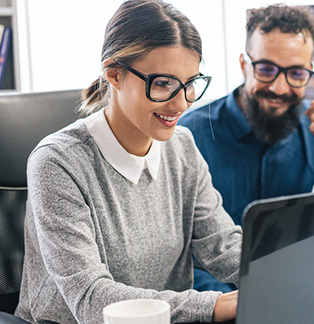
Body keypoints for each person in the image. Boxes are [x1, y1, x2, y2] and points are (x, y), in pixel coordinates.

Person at [15, 1, 241, 323]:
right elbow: (92, 298)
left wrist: (279, 272)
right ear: (115, 74)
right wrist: (212, 306)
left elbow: (221, 244)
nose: (181, 104)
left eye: (190, 84)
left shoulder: (183, 147)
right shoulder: (57, 162)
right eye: (163, 84)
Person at [178, 4, 314, 293]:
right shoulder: (191, 135)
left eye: (296, 73)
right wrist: (239, 304)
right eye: (267, 70)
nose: (281, 88)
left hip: (296, 290)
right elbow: (179, 257)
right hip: (217, 302)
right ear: (245, 65)